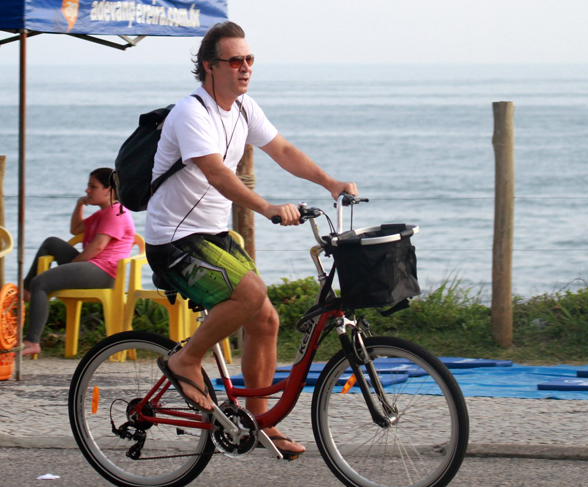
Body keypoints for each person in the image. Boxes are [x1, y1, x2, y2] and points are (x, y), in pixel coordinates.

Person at [145, 21, 357, 458]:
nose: (245, 68)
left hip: (213, 235)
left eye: (249, 60)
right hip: (174, 239)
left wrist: (330, 182)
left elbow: (282, 150)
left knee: (265, 320)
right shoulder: (192, 113)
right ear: (209, 67)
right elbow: (219, 174)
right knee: (251, 293)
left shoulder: (243, 109)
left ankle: (261, 422)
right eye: (235, 60)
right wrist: (267, 207)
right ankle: (184, 360)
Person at [22, 167, 136, 357]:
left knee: (40, 283)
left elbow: (97, 247)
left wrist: (70, 266)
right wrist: (80, 204)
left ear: (109, 190)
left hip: (103, 272)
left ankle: (32, 341)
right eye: (88, 186)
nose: (87, 191)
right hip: (92, 266)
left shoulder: (116, 212)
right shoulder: (102, 213)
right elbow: (75, 229)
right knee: (51, 243)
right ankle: (26, 291)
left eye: (93, 187)